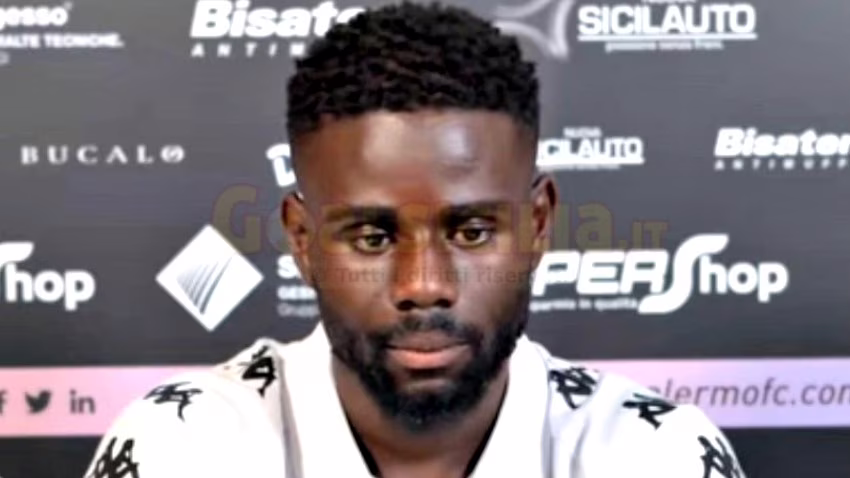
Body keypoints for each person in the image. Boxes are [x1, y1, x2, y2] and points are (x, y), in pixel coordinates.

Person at [83, 2, 746, 477]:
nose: (423, 285)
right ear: (302, 241)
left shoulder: (653, 454)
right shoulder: (184, 448)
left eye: (472, 231)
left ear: (538, 224)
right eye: (372, 237)